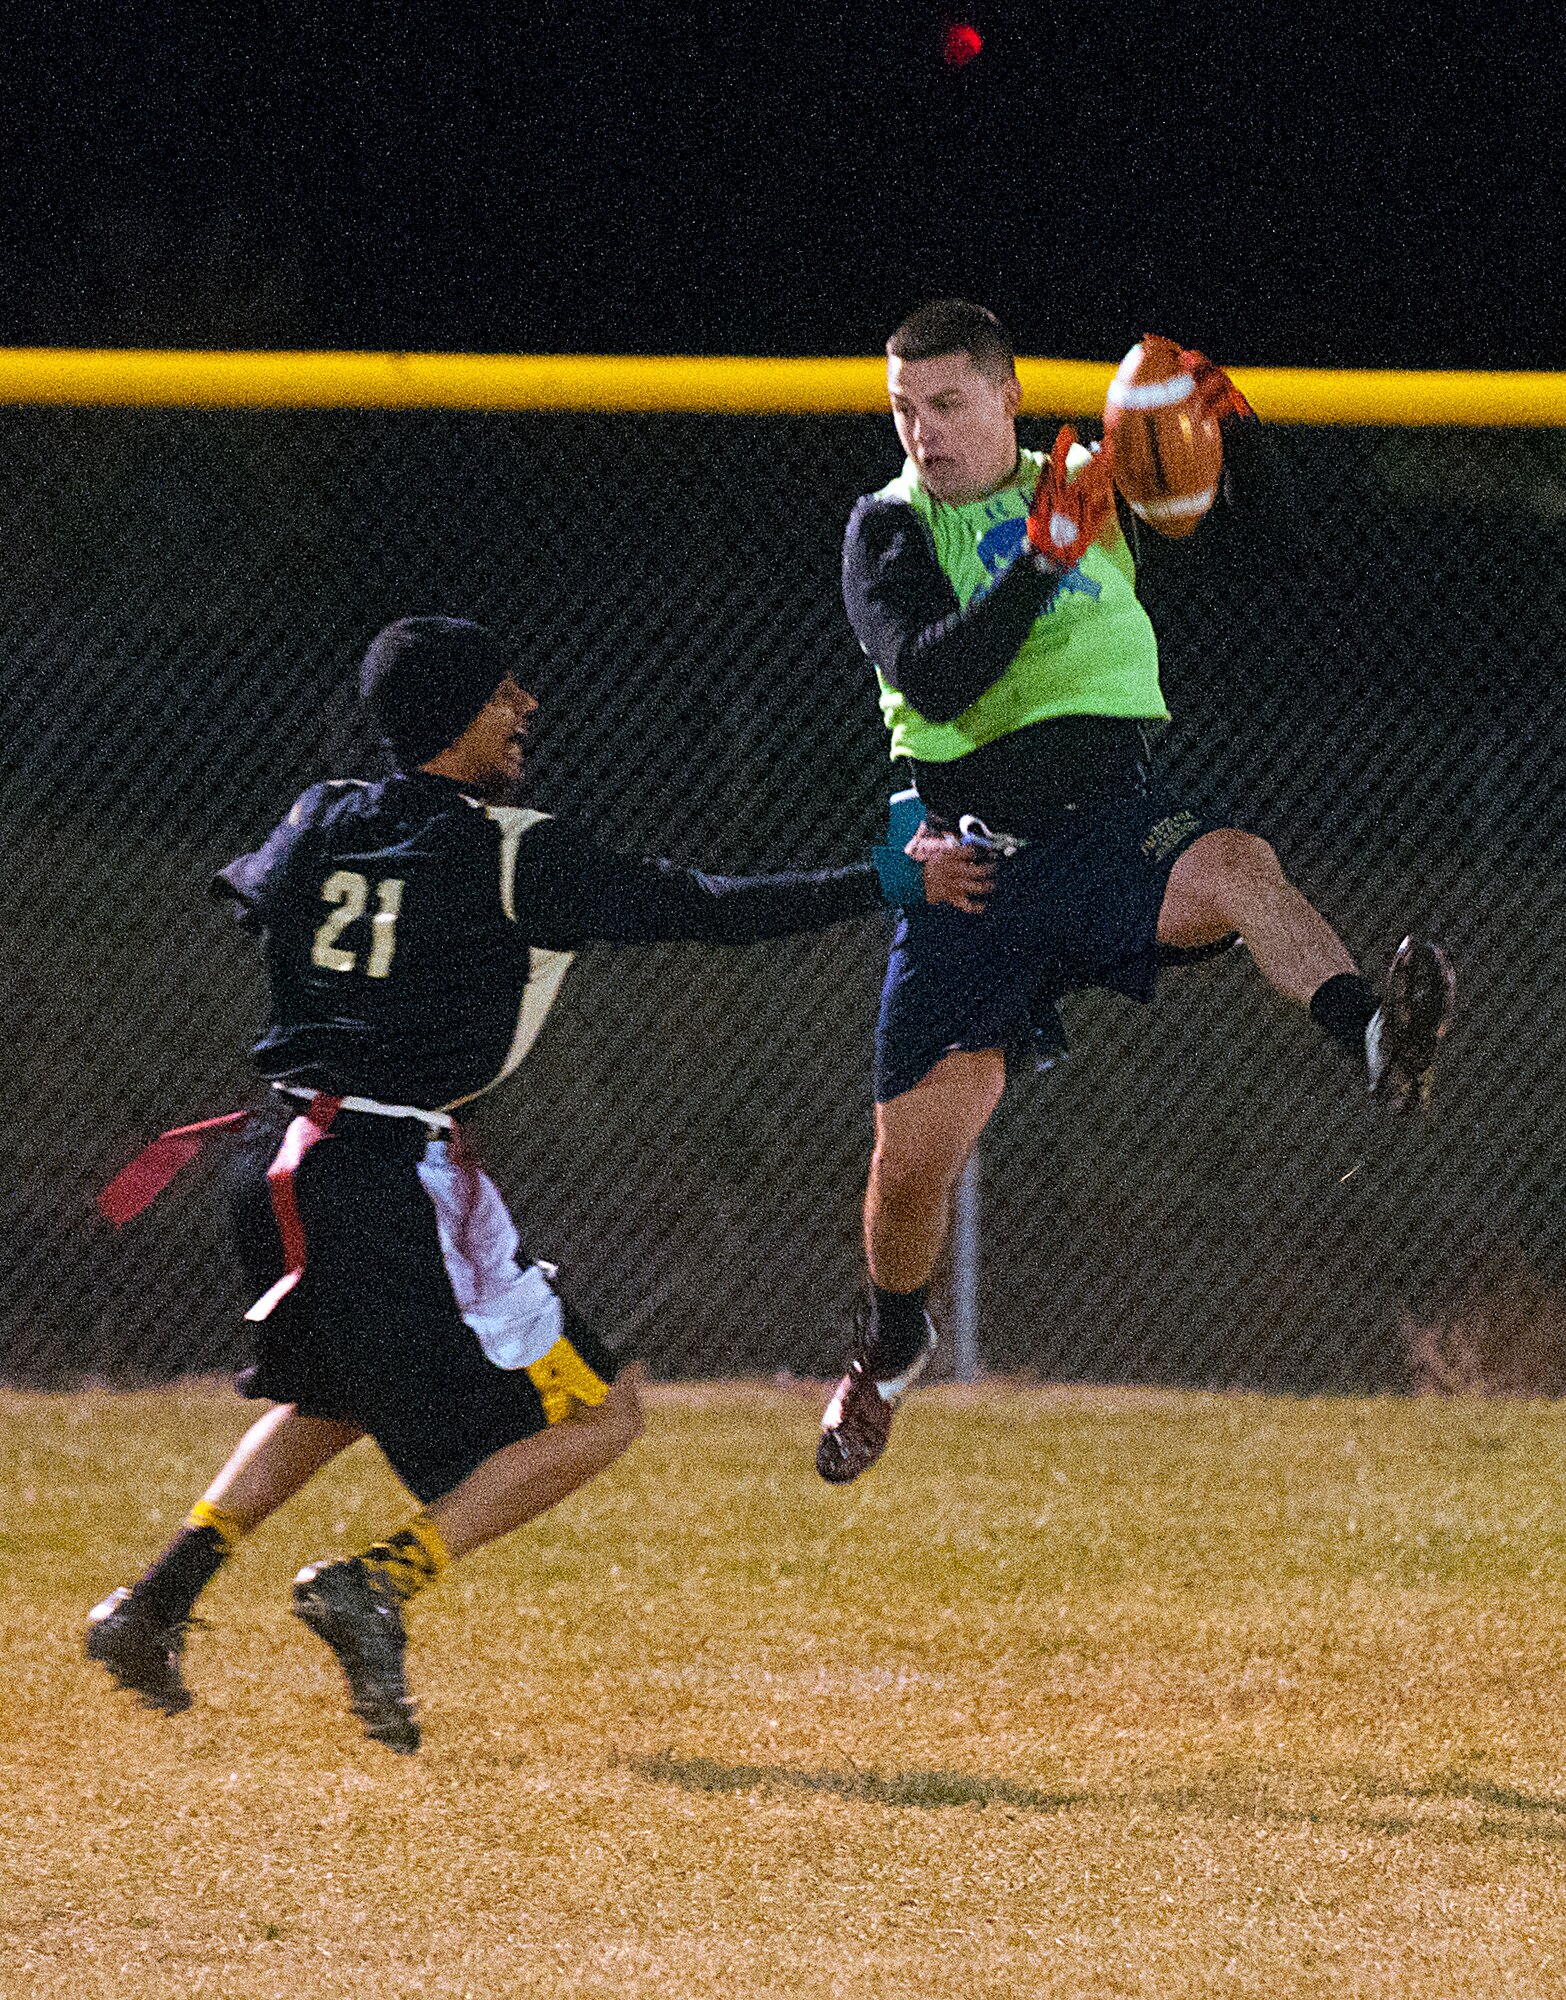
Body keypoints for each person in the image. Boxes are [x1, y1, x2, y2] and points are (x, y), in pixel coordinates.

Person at [86, 614, 989, 1752]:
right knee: (599, 1411)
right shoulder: (514, 850)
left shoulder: (320, 813)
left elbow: (260, 898)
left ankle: (154, 1602)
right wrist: (881, 882)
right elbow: (702, 905)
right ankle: (378, 1580)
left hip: (269, 1160)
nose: (525, 709)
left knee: (338, 1390)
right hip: (385, 1171)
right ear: (459, 710)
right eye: (504, 692)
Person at [815, 299, 1456, 1484]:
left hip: (1114, 825)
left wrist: (1237, 434)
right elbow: (936, 679)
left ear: (1010, 398)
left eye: (949, 402)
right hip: (972, 867)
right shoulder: (887, 531)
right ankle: (894, 1339)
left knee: (1237, 863)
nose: (924, 431)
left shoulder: (1093, 477)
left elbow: (1287, 575)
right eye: (905, 407)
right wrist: (1046, 559)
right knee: (909, 1171)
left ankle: (1373, 1032)